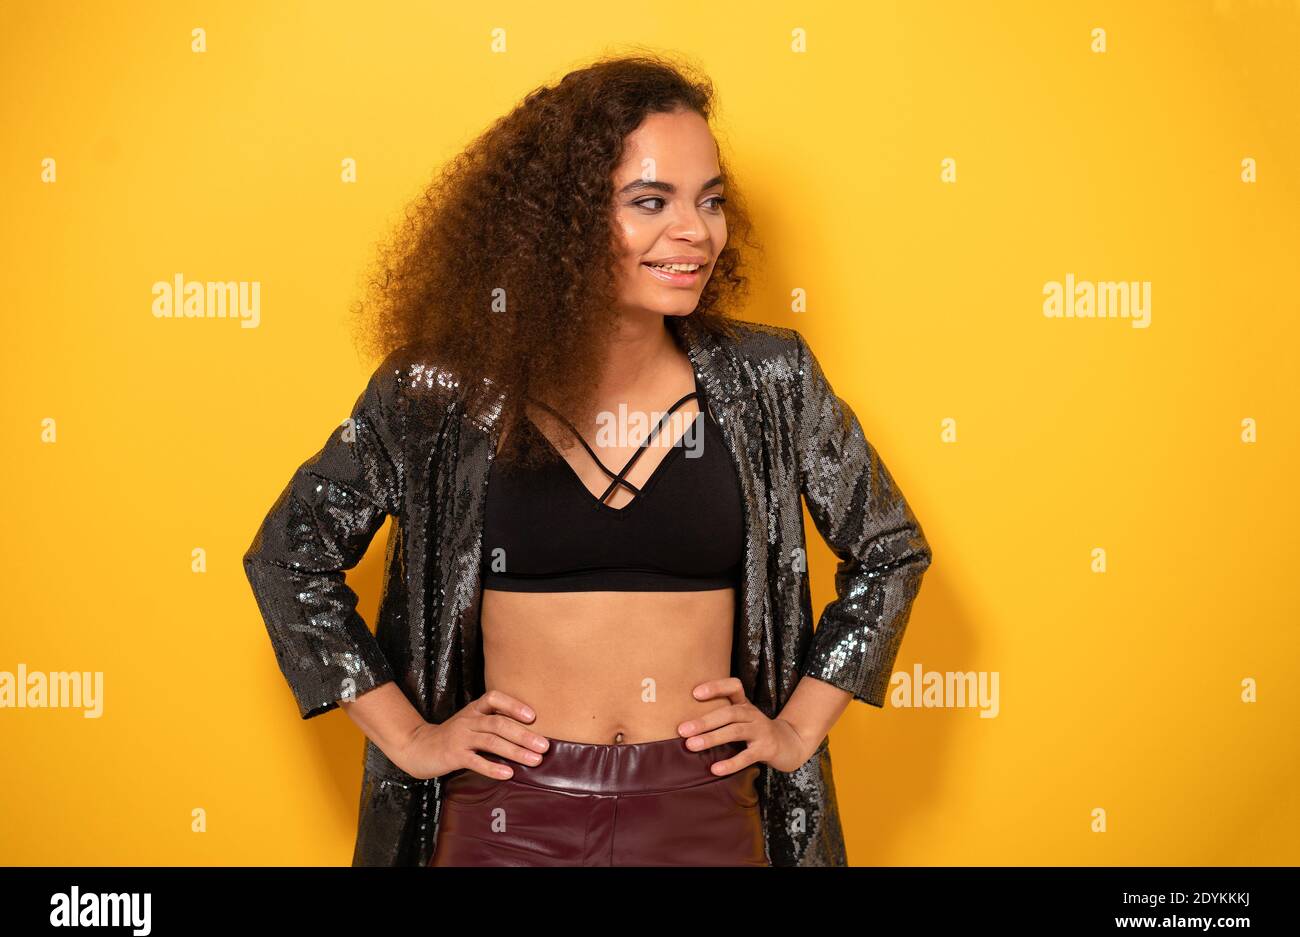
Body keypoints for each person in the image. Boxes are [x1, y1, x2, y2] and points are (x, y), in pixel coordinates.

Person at [242, 53, 933, 867]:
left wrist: (795, 730)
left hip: (706, 811)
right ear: (561, 225)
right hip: (505, 818)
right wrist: (413, 739)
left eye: (710, 201)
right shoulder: (438, 396)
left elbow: (890, 550)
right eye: (651, 202)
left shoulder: (770, 382)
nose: (696, 232)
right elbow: (291, 557)